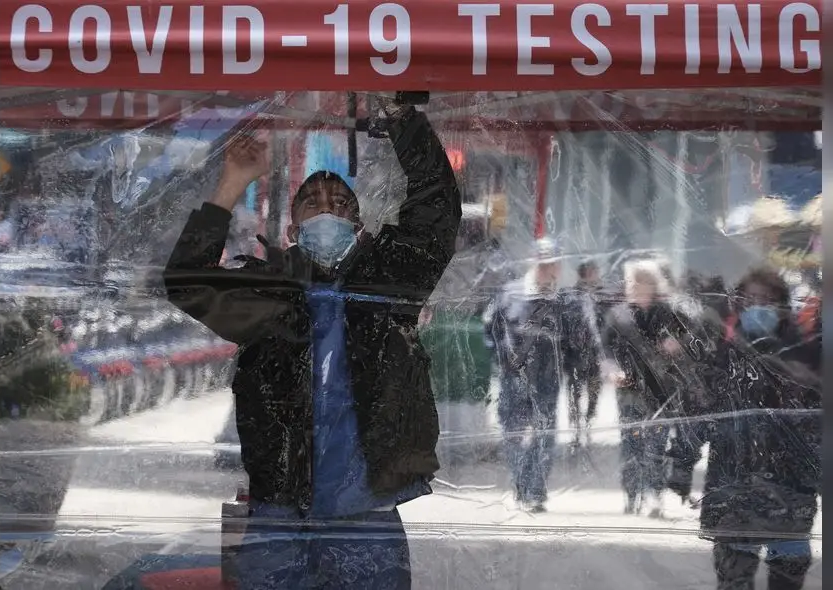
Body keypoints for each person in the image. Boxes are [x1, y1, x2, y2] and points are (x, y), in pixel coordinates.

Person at [162, 103, 461, 589]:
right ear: (292, 230)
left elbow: (437, 212)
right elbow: (187, 284)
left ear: (359, 226)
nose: (327, 209)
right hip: (280, 510)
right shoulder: (267, 295)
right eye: (312, 202)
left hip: (366, 510)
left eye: (341, 203)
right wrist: (233, 182)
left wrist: (404, 118)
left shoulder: (387, 285)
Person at [699, 267, 821, 590]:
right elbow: (701, 413)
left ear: (782, 305)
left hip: (790, 491)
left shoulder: (806, 356)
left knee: (787, 576)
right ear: (739, 304)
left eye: (767, 300)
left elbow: (820, 424)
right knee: (734, 577)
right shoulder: (724, 353)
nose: (759, 306)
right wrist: (678, 464)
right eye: (751, 299)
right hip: (734, 487)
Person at [484, 238, 582, 512]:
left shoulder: (565, 302)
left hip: (548, 380)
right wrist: (503, 360)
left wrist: (572, 369)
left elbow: (574, 341)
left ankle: (536, 490)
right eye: (543, 263)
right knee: (513, 434)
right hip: (513, 378)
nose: (547, 269)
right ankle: (521, 484)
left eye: (552, 264)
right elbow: (490, 331)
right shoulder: (510, 294)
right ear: (533, 262)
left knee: (544, 435)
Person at [602, 266, 688, 517]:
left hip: (661, 391)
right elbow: (605, 349)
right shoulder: (617, 315)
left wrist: (678, 345)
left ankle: (654, 494)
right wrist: (612, 370)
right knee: (631, 443)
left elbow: (693, 339)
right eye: (630, 283)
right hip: (628, 389)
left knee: (657, 444)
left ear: (652, 286)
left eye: (639, 283)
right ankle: (631, 494)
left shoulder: (668, 313)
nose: (633, 287)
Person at [566, 260, 605, 451]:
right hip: (576, 354)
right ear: (586, 273)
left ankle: (588, 422)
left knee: (594, 393)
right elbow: (567, 324)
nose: (597, 274)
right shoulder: (572, 295)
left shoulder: (602, 295)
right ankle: (575, 430)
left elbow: (607, 323)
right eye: (594, 271)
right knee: (574, 394)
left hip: (596, 354)